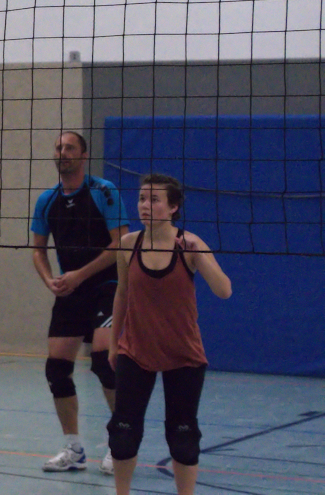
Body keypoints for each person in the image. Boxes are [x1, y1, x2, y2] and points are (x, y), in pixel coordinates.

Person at [108, 174, 232, 495]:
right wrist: (113, 343)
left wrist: (198, 253)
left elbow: (224, 290)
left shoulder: (189, 245)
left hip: (183, 354)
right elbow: (122, 294)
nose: (145, 205)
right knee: (123, 434)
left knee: (183, 437)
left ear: (173, 207)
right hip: (136, 350)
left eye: (154, 199)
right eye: (142, 198)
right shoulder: (128, 244)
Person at [30, 131, 129, 474]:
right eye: (58, 147)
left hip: (107, 286)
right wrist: (50, 281)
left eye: (69, 147)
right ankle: (73, 449)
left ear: (84, 156)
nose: (62, 152)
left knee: (104, 361)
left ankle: (120, 443)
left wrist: (80, 275)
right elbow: (38, 249)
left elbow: (120, 244)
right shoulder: (47, 199)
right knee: (56, 369)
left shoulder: (104, 191)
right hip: (70, 290)